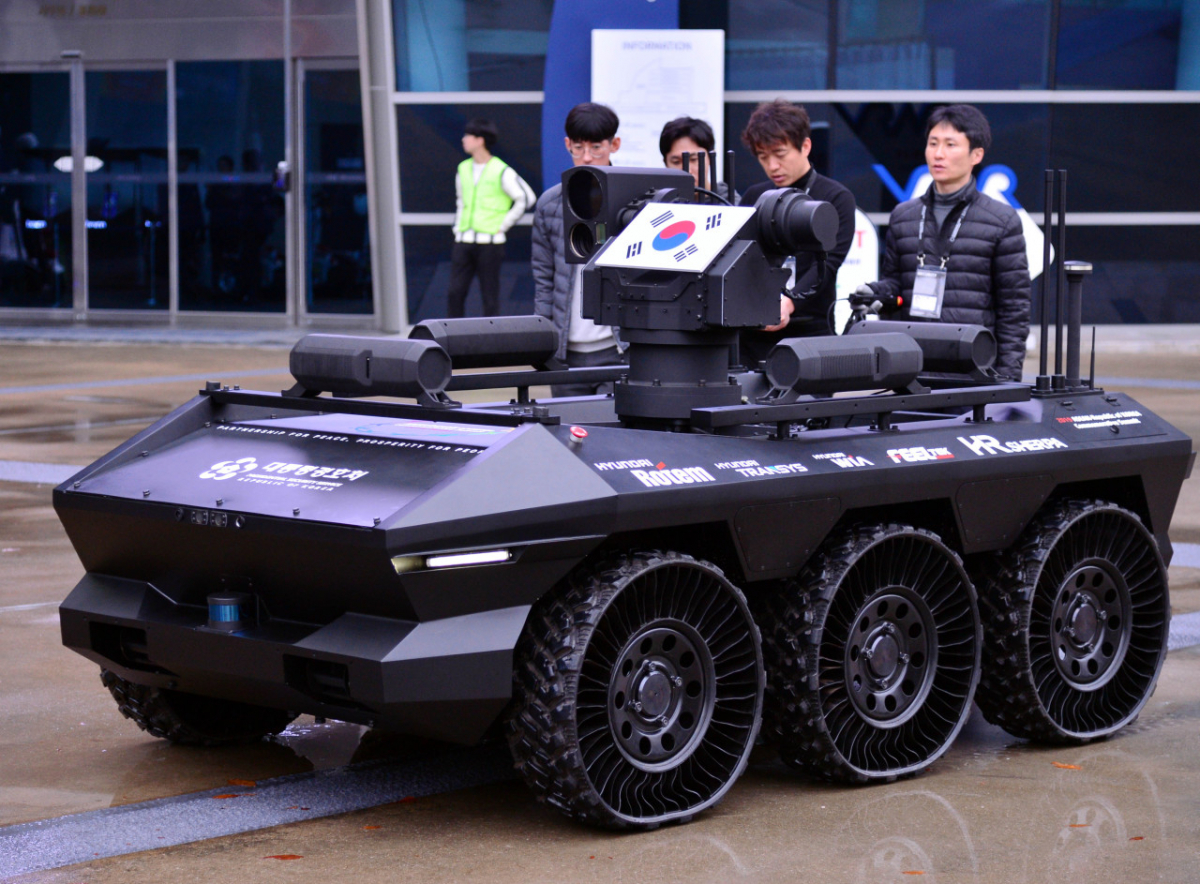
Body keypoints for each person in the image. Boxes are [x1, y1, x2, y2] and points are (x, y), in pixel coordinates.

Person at [855, 104, 1030, 381]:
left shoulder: (1002, 220)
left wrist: (1007, 380)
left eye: (950, 145)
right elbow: (897, 285)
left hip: (973, 368)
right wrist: (875, 293)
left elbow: (1014, 310)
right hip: (911, 368)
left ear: (976, 155)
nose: (938, 154)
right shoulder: (904, 215)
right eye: (933, 143)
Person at [738, 100, 857, 365]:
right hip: (754, 334)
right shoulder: (755, 196)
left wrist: (789, 302)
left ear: (805, 146)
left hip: (811, 332)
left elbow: (828, 264)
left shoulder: (836, 197)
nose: (772, 166)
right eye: (763, 157)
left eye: (780, 154)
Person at [532, 103, 625, 396]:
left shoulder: (632, 199)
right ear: (567, 145)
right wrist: (543, 347)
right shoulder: (550, 205)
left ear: (614, 145)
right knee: (568, 426)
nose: (586, 157)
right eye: (578, 147)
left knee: (617, 425)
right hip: (565, 356)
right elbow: (544, 282)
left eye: (596, 148)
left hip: (619, 350)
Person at [446, 118, 535, 318]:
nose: (463, 139)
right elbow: (461, 200)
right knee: (455, 293)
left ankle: (491, 336)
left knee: (490, 296)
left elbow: (526, 198)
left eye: (468, 135)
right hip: (463, 240)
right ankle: (451, 334)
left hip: (490, 243)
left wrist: (503, 225)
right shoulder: (463, 168)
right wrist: (458, 227)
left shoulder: (501, 170)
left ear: (480, 140)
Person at [658, 116, 736, 203]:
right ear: (665, 163)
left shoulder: (730, 203)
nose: (688, 171)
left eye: (694, 159)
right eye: (676, 162)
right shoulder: (657, 203)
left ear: (711, 158)